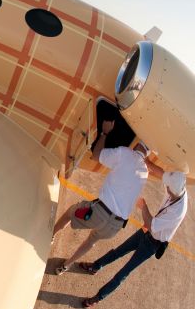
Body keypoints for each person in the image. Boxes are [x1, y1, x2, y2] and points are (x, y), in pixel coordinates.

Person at [52, 120, 149, 274]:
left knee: (72, 211)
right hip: (115, 227)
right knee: (91, 241)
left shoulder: (125, 153)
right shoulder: (145, 171)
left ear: (136, 146)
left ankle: (51, 235)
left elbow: (96, 155)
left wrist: (104, 133)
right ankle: (66, 265)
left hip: (100, 213)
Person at [79, 170, 188, 307]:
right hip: (147, 231)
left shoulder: (177, 211)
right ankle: (95, 266)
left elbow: (152, 225)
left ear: (175, 191)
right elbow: (162, 174)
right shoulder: (176, 187)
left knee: (124, 272)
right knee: (118, 251)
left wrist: (143, 207)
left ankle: (98, 297)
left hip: (153, 243)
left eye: (168, 189)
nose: (166, 189)